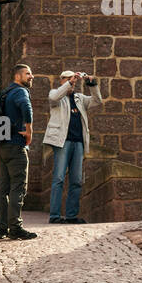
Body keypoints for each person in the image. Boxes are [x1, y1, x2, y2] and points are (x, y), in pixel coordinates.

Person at [43, 69, 102, 224]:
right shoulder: (55, 95)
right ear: (62, 80)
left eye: (73, 80)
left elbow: (97, 101)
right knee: (59, 178)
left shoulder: (80, 98)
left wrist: (92, 84)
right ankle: (55, 216)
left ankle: (71, 215)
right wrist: (70, 82)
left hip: (78, 143)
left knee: (76, 180)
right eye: (68, 80)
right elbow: (55, 96)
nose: (73, 82)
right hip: (62, 142)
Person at [0, 63, 37, 241]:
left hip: (2, 146)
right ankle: (16, 227)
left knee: (3, 188)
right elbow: (26, 108)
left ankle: (1, 229)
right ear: (18, 76)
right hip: (16, 145)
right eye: (28, 73)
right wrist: (29, 130)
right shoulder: (20, 91)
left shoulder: (5, 93)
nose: (31, 76)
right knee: (18, 187)